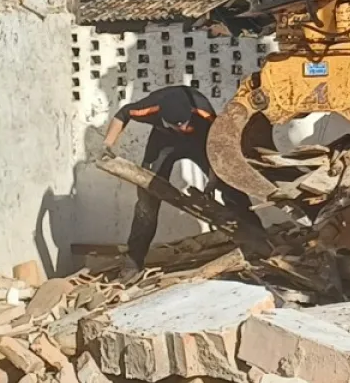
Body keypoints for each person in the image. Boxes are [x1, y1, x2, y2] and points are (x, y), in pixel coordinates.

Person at [102, 84, 248, 271]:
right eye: (176, 125)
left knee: (230, 185)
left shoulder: (204, 112)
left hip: (201, 143)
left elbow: (218, 148)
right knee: (147, 201)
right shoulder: (150, 107)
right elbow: (122, 114)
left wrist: (213, 181)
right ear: (162, 117)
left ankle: (256, 236)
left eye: (185, 123)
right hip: (163, 144)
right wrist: (106, 145)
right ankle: (133, 262)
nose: (182, 128)